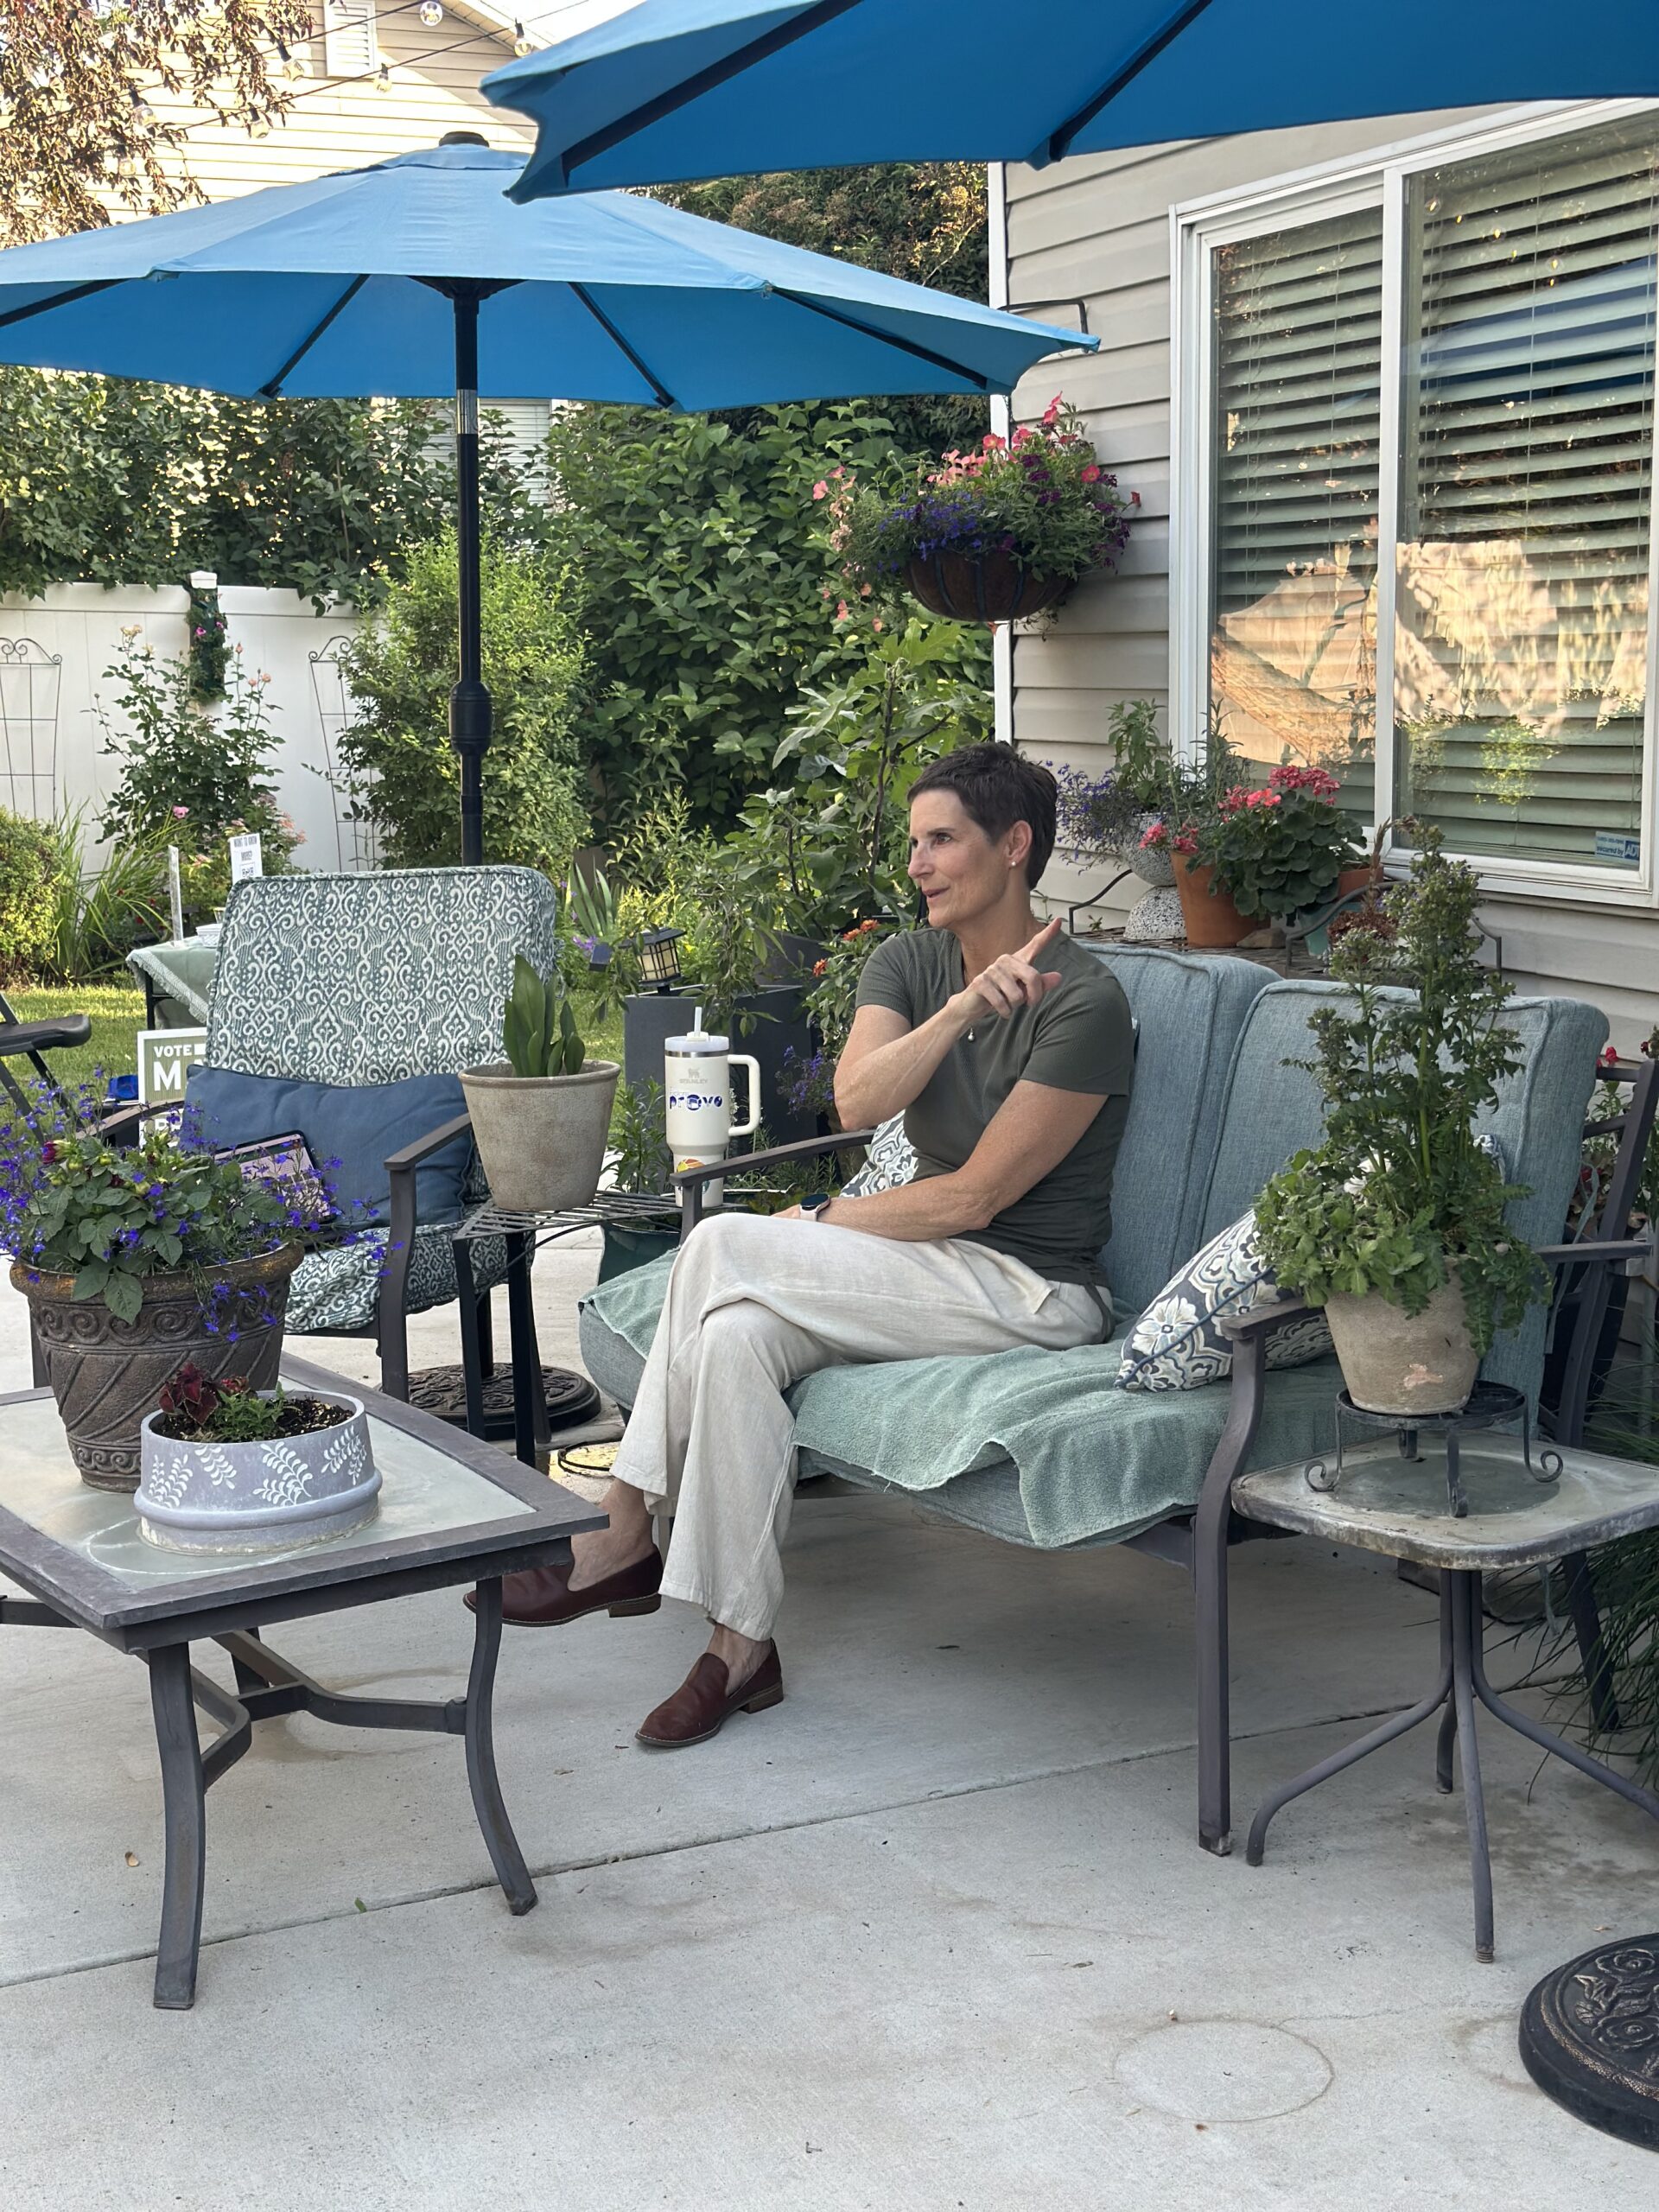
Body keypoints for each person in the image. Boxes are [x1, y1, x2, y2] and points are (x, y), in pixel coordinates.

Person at [485, 743, 1135, 1750]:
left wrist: (821, 1220)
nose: (917, 864)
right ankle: (741, 1645)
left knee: (722, 1247)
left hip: (1029, 1290)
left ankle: (620, 1531)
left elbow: (977, 1196)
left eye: (941, 840)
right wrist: (962, 1007)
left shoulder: (1086, 1002)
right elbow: (859, 1100)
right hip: (926, 1269)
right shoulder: (912, 961)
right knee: (734, 1336)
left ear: (1013, 846)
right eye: (914, 841)